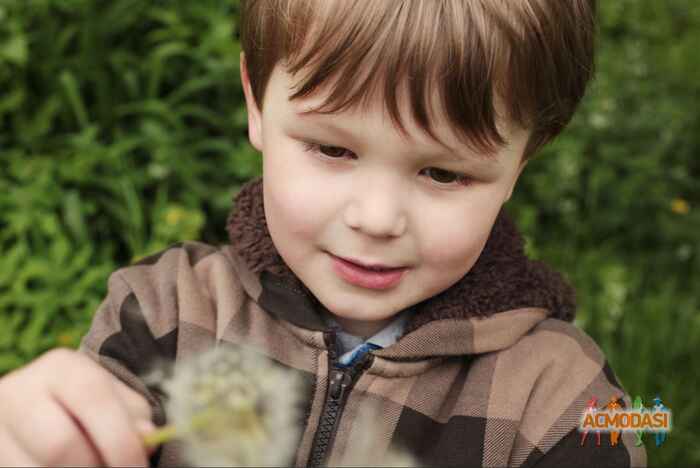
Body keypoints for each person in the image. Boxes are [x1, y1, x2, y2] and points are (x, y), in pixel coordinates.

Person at [0, 0, 648, 466]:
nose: (376, 218)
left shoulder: (565, 404)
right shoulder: (164, 312)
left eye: (444, 173)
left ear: (522, 160)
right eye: (332, 150)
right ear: (256, 104)